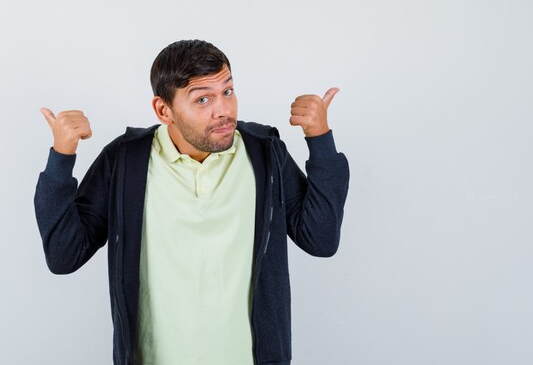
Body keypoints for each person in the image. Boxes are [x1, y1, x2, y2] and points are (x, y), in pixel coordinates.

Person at [34, 39, 350, 365]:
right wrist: (61, 158)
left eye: (227, 91)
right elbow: (64, 255)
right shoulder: (125, 160)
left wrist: (320, 140)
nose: (223, 110)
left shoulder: (264, 152)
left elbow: (321, 238)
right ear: (163, 110)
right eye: (202, 99)